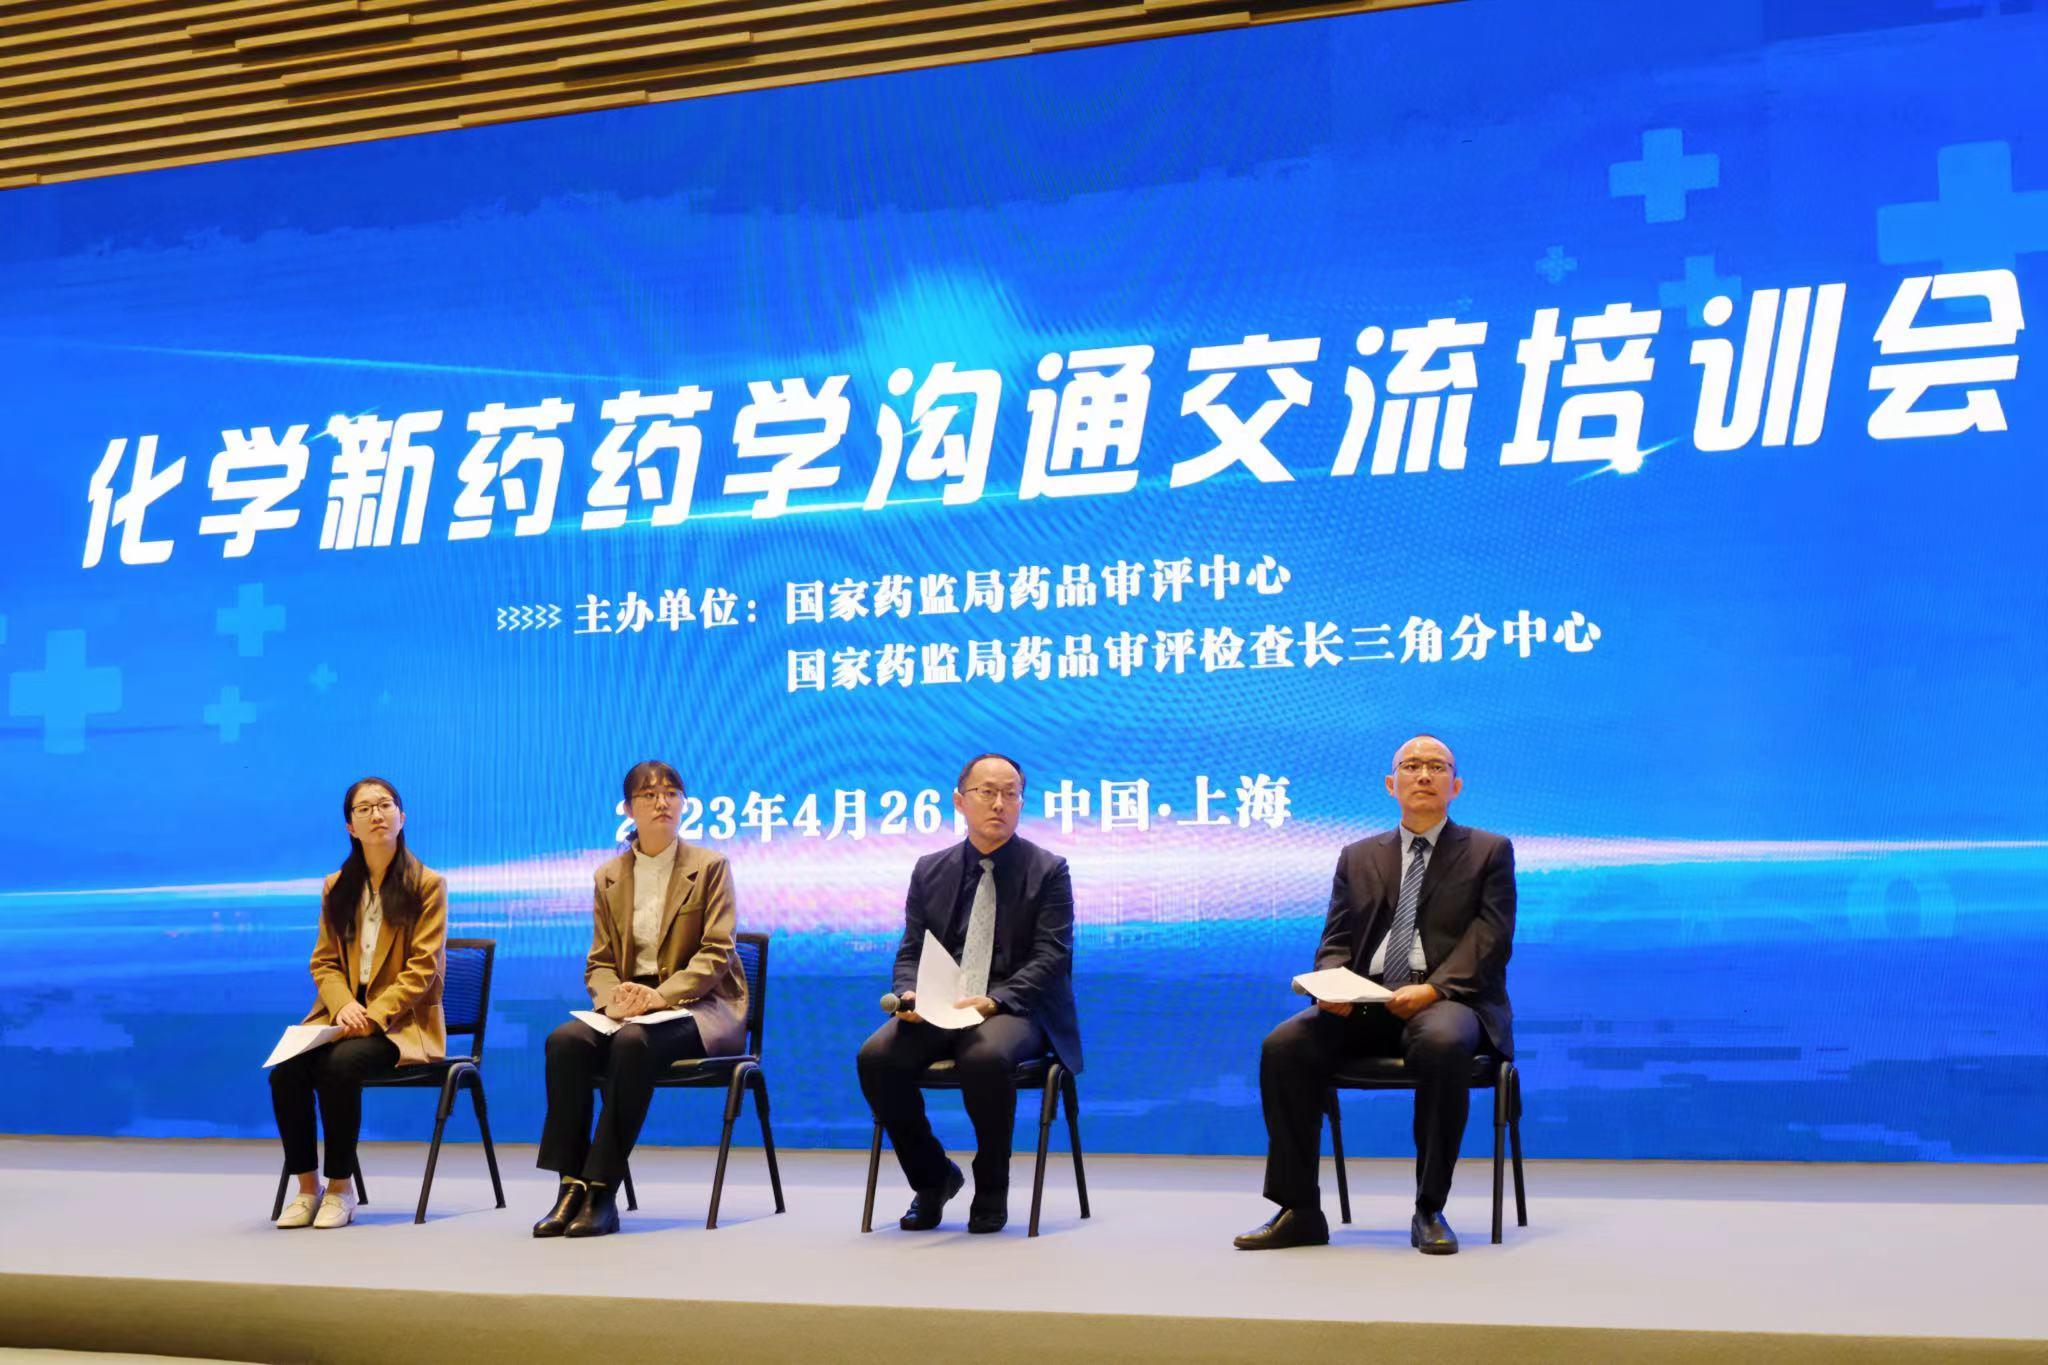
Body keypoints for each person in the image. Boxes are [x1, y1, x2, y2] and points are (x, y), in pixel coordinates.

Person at [1235, 734, 1516, 1255]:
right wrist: (1331, 985)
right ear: (1391, 784)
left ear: (1456, 786)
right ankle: (1299, 1210)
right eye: (1412, 766)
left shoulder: (1489, 851)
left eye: (1437, 767)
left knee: (1441, 1044)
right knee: (1285, 1046)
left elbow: (1490, 939)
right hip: (1366, 1003)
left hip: (1448, 1000)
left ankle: (1429, 1208)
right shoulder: (1358, 856)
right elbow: (1336, 939)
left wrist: (1433, 989)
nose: (1424, 775)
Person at [856, 753, 1081, 1235]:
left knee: (984, 1057)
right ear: (960, 801)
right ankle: (934, 1178)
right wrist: (910, 994)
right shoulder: (929, 870)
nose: (999, 803)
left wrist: (994, 1001)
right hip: (944, 1005)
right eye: (987, 792)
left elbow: (1052, 956)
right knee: (876, 1058)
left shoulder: (1048, 870)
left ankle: (992, 1187)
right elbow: (911, 949)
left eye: (1011, 794)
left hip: (1016, 1007)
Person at [532, 761, 749, 1238]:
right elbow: (600, 961)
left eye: (671, 793)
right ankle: (570, 1185)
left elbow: (717, 951)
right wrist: (613, 998)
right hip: (631, 1007)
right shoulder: (609, 875)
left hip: (698, 1006)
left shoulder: (710, 867)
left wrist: (660, 996)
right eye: (649, 795)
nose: (662, 802)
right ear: (629, 809)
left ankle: (602, 1189)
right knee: (565, 1041)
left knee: (633, 1045)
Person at [271, 777, 447, 1229]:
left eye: (385, 805)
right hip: (341, 1016)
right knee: (287, 1070)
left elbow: (423, 969)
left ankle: (340, 1188)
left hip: (400, 1024)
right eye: (364, 808)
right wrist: (344, 1005)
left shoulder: (427, 885)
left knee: (340, 1065)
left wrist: (373, 1015)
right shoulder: (337, 886)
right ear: (350, 826)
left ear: (401, 817)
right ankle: (306, 1188)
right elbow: (324, 962)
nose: (376, 815)